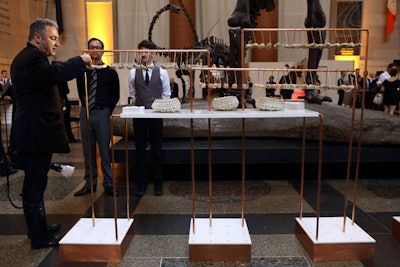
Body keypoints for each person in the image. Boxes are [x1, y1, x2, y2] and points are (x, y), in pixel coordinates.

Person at [10, 18, 92, 249]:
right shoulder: (34, 57)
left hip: (32, 132)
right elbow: (55, 74)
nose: (56, 43)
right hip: (34, 133)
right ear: (38, 38)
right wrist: (79, 61)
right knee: (35, 186)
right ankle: (39, 237)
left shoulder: (25, 58)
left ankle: (39, 229)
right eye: (53, 38)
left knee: (36, 182)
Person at [74, 37, 120, 197]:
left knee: (105, 151)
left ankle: (108, 183)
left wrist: (106, 110)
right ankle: (90, 183)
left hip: (102, 113)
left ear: (102, 50)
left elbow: (115, 94)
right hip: (86, 112)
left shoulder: (110, 72)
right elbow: (81, 91)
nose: (95, 50)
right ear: (87, 50)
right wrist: (87, 106)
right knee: (88, 151)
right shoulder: (83, 72)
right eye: (92, 47)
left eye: (98, 47)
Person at [128, 40, 171, 197]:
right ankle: (141, 184)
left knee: (157, 150)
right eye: (141, 52)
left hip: (156, 115)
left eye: (146, 51)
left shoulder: (162, 72)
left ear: (152, 53)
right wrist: (140, 104)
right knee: (140, 150)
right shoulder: (133, 72)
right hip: (139, 116)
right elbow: (133, 93)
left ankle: (158, 184)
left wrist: (159, 108)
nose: (143, 54)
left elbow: (166, 93)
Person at [53, 62, 78, 143]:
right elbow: (66, 90)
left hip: (59, 100)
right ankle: (68, 137)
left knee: (64, 120)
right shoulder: (62, 77)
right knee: (65, 120)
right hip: (63, 99)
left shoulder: (55, 78)